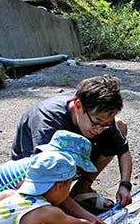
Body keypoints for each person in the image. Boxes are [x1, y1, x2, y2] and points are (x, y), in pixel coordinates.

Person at [10, 75, 133, 213]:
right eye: (96, 122)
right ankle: (60, 203)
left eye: (105, 124)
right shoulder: (48, 122)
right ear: (78, 106)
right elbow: (45, 175)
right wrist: (87, 220)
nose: (100, 129)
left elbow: (123, 150)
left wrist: (125, 185)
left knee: (119, 126)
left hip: (67, 158)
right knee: (54, 211)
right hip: (35, 172)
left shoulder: (99, 118)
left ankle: (81, 189)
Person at [0, 130, 105, 224]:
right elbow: (62, 203)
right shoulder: (38, 173)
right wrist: (88, 222)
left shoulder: (39, 165)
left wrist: (90, 219)